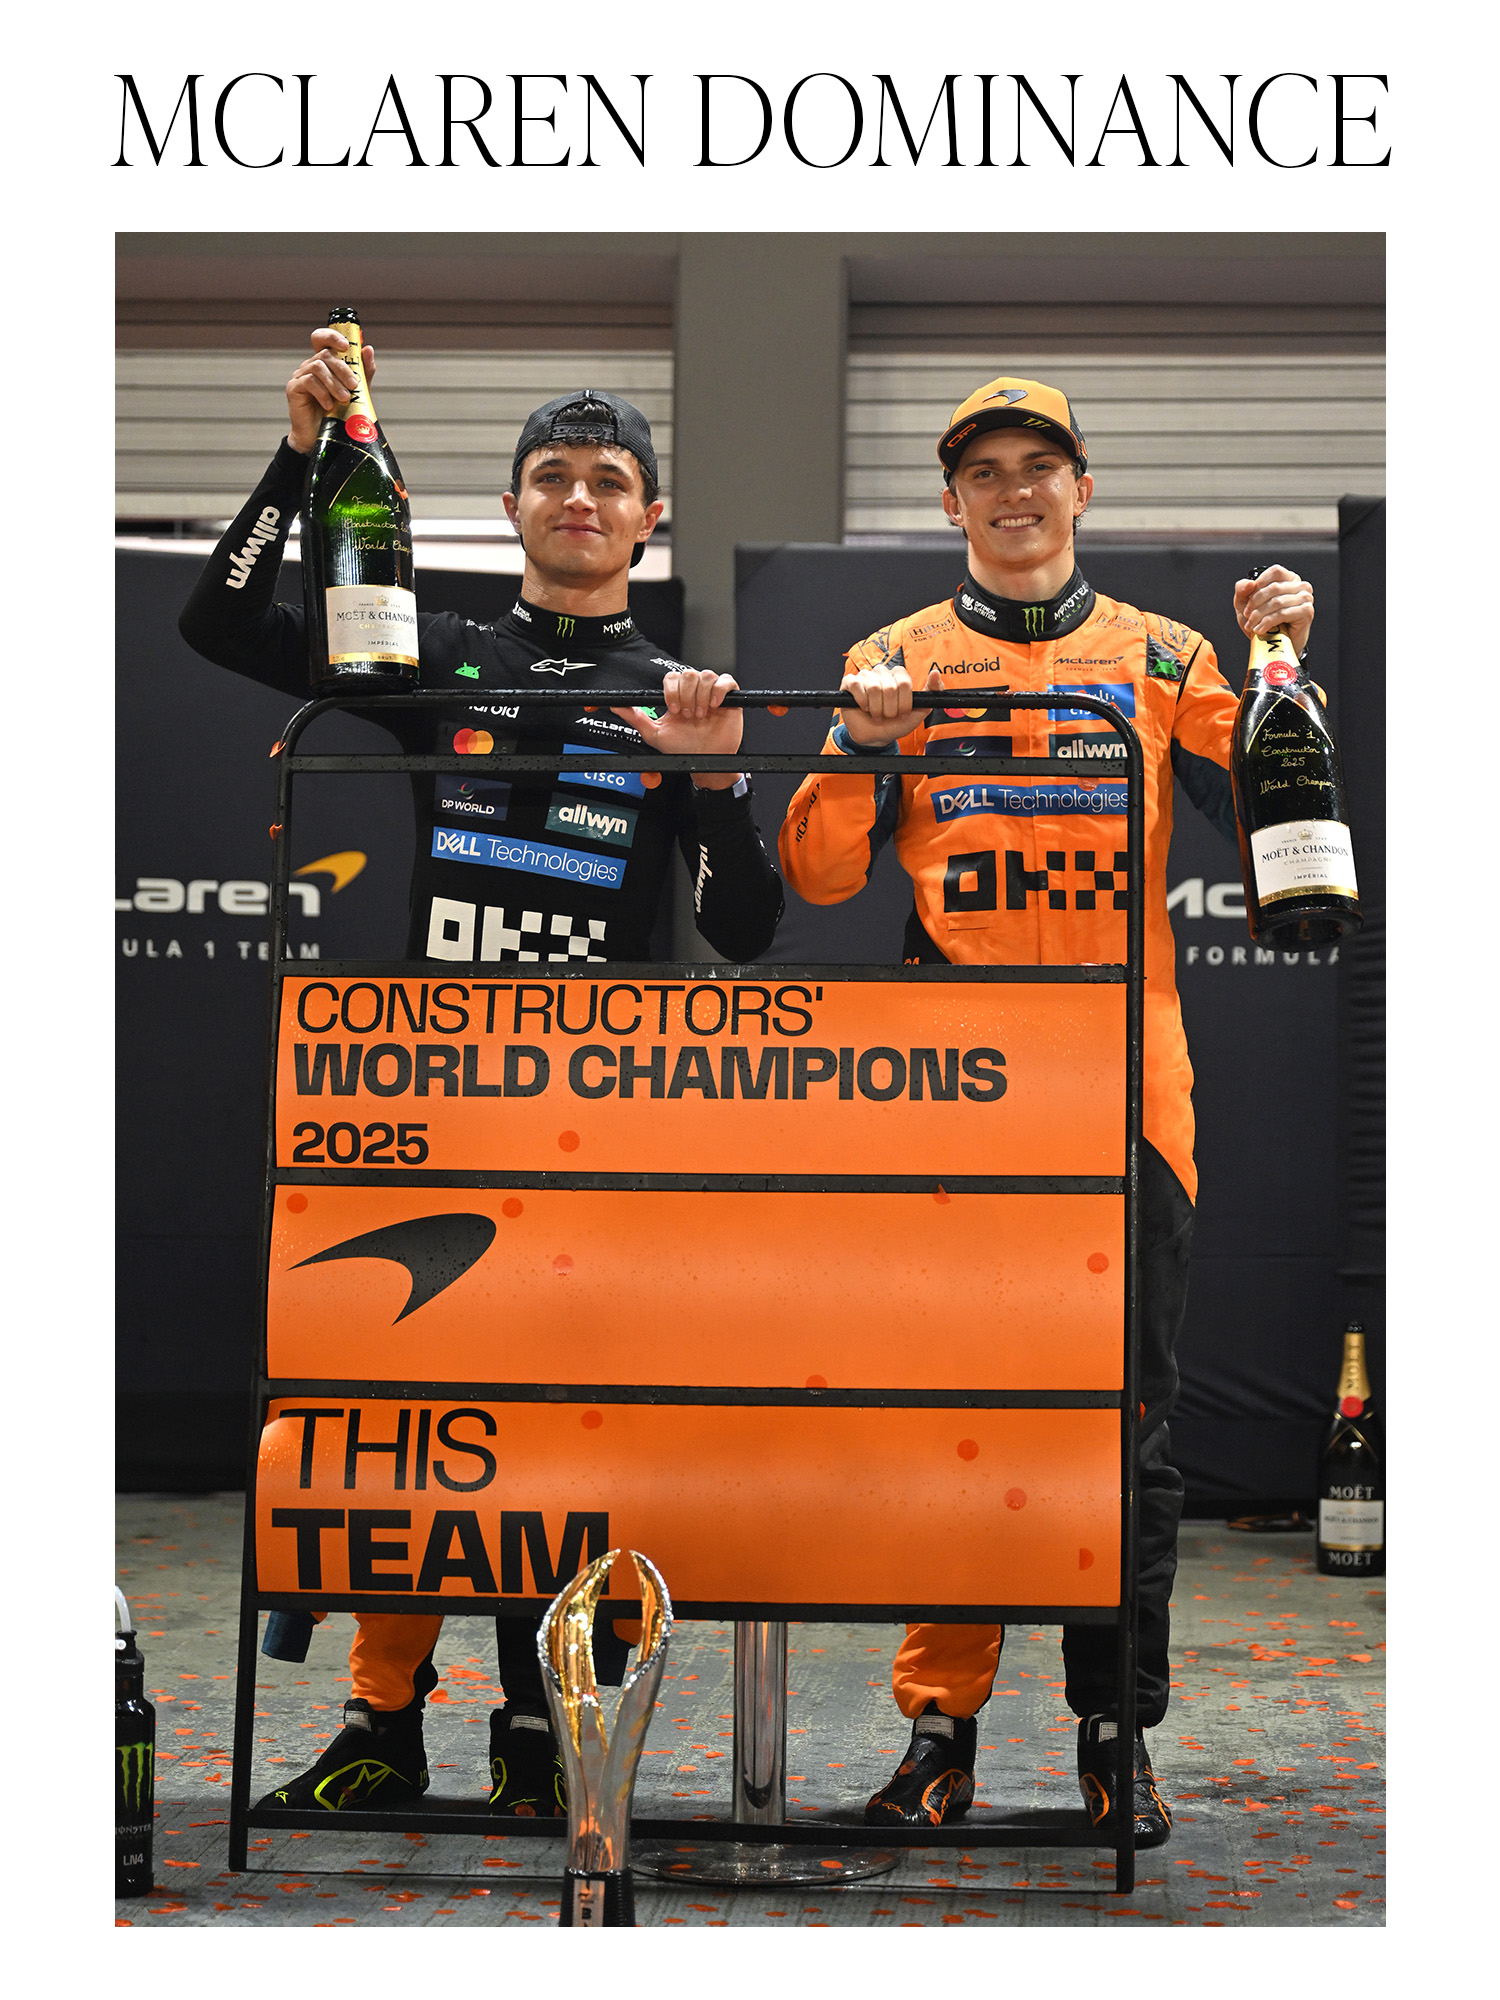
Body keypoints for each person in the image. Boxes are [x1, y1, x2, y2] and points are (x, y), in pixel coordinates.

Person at [180, 327, 784, 1817]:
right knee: (409, 1423)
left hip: (602, 1132)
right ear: (511, 508)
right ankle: (384, 1725)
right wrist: (304, 455)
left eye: (610, 480)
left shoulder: (677, 691)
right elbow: (223, 619)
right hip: (431, 1103)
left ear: (649, 519)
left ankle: (544, 1726)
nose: (579, 498)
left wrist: (708, 784)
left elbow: (750, 927)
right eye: (550, 476)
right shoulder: (434, 653)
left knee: (569, 1435)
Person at [777, 375, 1314, 1849]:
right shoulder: (890, 656)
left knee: (1124, 1431)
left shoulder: (1165, 654)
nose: (1015, 491)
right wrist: (865, 745)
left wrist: (1281, 666)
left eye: (1042, 466)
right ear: (952, 503)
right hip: (949, 1093)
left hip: (1129, 1096)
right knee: (954, 1417)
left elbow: (1286, 827)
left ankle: (1108, 1734)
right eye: (984, 472)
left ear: (1084, 490)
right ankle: (938, 1729)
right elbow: (820, 877)